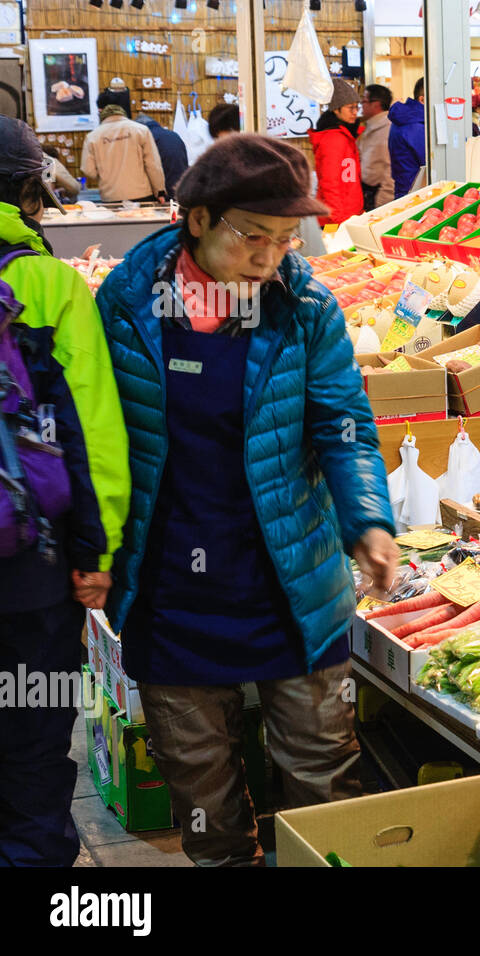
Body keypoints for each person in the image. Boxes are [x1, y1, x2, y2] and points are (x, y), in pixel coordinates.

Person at [94, 133, 398, 867]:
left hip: (291, 582)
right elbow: (98, 436)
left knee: (321, 782)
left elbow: (342, 422)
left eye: (286, 239)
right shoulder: (130, 305)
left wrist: (368, 520)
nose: (270, 258)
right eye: (252, 236)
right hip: (172, 590)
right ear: (195, 220)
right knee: (203, 800)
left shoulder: (306, 307)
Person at [0, 116, 130, 866]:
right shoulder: (46, 282)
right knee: (33, 731)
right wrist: (95, 552)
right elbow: (91, 431)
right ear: (26, 190)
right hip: (28, 567)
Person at [80, 105, 167, 204]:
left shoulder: (92, 137)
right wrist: (159, 191)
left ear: (102, 118)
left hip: (111, 197)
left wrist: (105, 176)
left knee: (116, 220)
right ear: (123, 115)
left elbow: (88, 170)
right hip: (142, 194)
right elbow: (153, 165)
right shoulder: (141, 130)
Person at [308, 79, 364, 226]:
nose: (355, 112)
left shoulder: (346, 135)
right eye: (350, 108)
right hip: (336, 220)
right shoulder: (334, 139)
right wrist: (338, 219)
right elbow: (330, 183)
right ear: (336, 109)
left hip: (348, 216)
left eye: (356, 107)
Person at [357, 84, 395, 211]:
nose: (361, 105)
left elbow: (391, 170)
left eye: (364, 101)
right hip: (366, 193)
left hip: (378, 197)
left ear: (376, 104)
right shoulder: (371, 126)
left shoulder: (387, 129)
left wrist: (381, 205)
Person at [388, 78, 426, 198]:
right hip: (415, 192)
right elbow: (431, 161)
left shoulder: (404, 119)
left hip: (404, 188)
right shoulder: (415, 125)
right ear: (422, 99)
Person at [137, 115, 190, 199]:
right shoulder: (173, 134)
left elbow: (151, 167)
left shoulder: (147, 137)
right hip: (182, 186)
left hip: (164, 190)